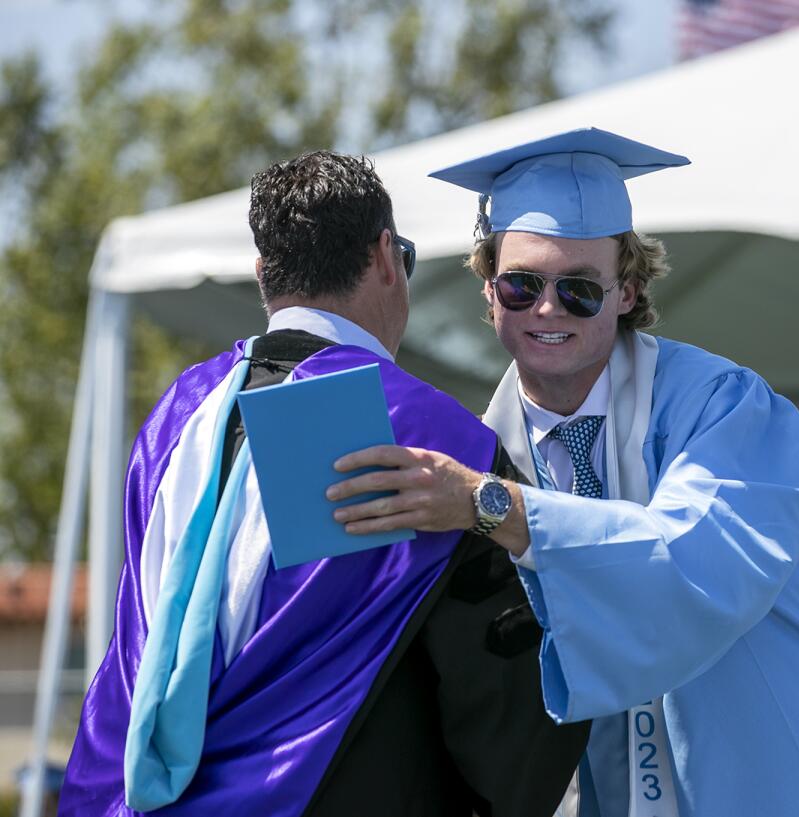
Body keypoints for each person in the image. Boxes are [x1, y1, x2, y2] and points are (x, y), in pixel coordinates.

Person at [326, 128, 799, 817]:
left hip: (788, 788)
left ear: (627, 291)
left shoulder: (725, 407)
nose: (546, 308)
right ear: (488, 290)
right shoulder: (481, 449)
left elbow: (691, 565)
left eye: (579, 290)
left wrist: (494, 509)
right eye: (521, 284)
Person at [59, 150, 587, 817]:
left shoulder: (174, 418)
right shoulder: (428, 440)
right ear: (386, 257)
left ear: (263, 276)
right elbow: (500, 701)